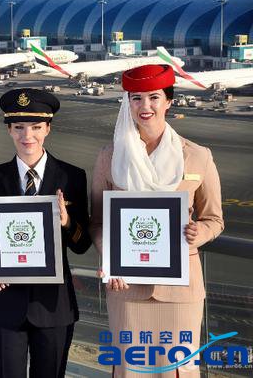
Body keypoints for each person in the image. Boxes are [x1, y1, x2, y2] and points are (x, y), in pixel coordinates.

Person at [91, 64, 224, 377]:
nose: (145, 106)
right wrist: (110, 259)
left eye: (154, 97)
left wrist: (200, 232)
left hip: (180, 290)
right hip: (126, 288)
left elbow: (214, 219)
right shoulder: (110, 156)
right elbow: (97, 221)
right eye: (136, 98)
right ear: (128, 103)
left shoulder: (197, 156)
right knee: (129, 369)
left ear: (169, 102)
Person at [0, 88, 91, 378]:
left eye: (36, 127)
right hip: (4, 301)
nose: (27, 136)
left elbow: (82, 245)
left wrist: (66, 222)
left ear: (48, 128)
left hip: (53, 306)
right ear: (9, 130)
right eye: (19, 127)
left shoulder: (71, 176)